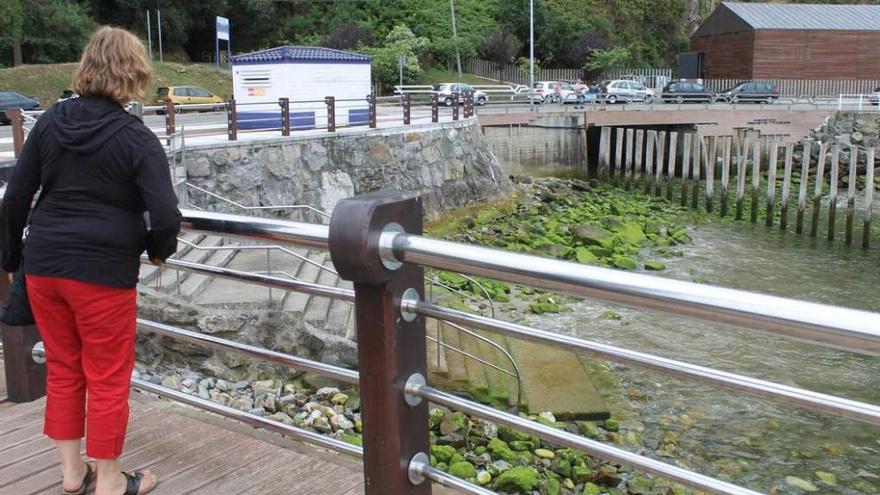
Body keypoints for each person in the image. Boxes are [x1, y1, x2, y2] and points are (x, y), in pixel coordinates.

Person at [0, 26, 180, 495]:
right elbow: (164, 213)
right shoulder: (136, 137)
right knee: (106, 376)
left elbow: (16, 196)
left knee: (62, 368)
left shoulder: (51, 122)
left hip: (44, 266)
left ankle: (71, 473)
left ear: (87, 66)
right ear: (135, 72)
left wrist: (14, 257)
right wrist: (158, 250)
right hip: (101, 274)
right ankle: (111, 481)